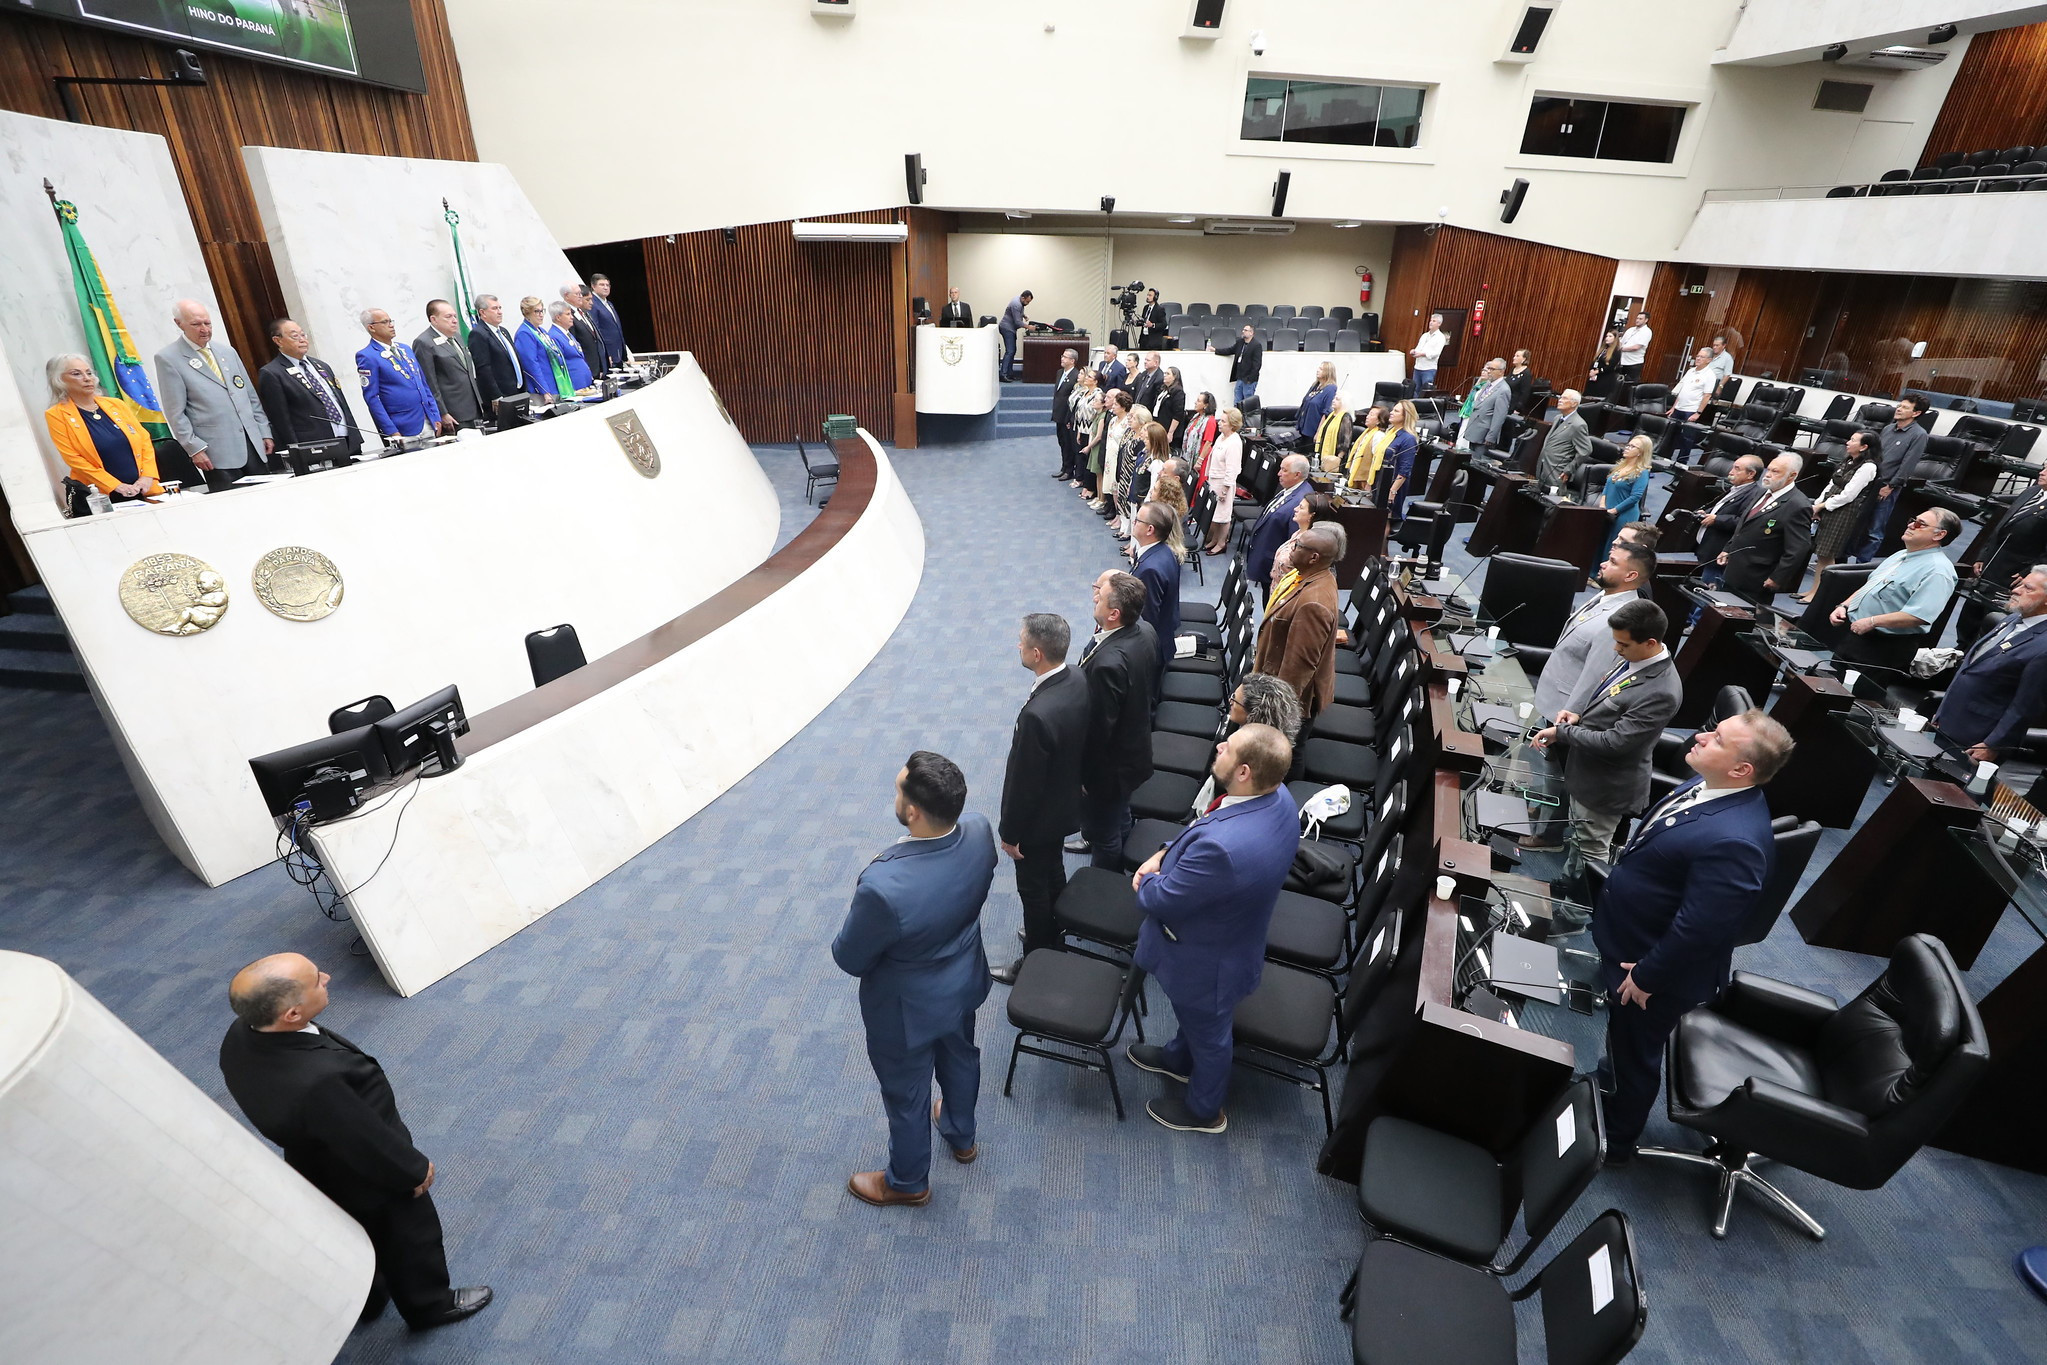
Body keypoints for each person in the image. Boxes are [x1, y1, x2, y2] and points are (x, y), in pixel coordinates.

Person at [217, 953, 491, 1329]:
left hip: (313, 1165)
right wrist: (412, 1170)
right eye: (316, 980)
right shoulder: (318, 1082)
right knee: (411, 1238)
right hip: (365, 1173)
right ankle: (430, 1306)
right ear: (292, 1016)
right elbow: (362, 1137)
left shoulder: (240, 1036)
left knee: (352, 1237)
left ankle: (370, 1298)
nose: (327, 977)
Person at [1592, 711, 1790, 1157]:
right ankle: (1606, 1086)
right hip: (1634, 943)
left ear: (1742, 769)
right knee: (1620, 1043)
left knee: (1635, 1055)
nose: (1700, 736)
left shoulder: (1736, 841)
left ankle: (1615, 1139)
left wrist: (1648, 977)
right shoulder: (1708, 785)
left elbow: (1702, 927)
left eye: (1717, 738)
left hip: (1655, 970)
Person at [832, 753, 996, 1207]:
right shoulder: (981, 831)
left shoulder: (884, 886)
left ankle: (907, 1183)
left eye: (897, 791)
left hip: (906, 1010)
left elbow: (849, 956)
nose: (895, 795)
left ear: (912, 812)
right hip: (962, 982)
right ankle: (962, 1135)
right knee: (961, 1057)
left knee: (907, 1095)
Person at [1125, 723, 1300, 1133]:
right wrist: (1167, 852)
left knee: (1212, 1036)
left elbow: (1162, 898)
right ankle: (1177, 1060)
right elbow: (1203, 834)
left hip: (1207, 963)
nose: (1219, 744)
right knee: (1198, 1022)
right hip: (1234, 935)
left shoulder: (1223, 849)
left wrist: (1146, 877)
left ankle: (1204, 1111)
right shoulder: (1279, 797)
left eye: (1229, 748)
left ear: (1244, 772)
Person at [1533, 599, 1684, 913]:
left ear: (1651, 643)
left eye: (1623, 643)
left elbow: (1616, 742)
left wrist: (1562, 733)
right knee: (1578, 840)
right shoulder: (1633, 657)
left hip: (1607, 786)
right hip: (1587, 774)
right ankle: (1567, 882)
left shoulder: (1662, 690)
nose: (1616, 649)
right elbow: (1608, 697)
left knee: (1591, 854)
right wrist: (1576, 715)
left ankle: (1574, 917)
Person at [990, 615, 1089, 985]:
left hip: (1037, 821)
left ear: (1036, 653)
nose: (1016, 646)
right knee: (1052, 871)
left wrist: (1010, 833)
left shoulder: (1036, 716)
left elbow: (1023, 783)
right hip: (1064, 805)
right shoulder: (1077, 676)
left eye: (1020, 642)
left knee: (1032, 890)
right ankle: (1053, 930)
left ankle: (1035, 960)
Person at [1075, 571, 1158, 870]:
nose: (1095, 596)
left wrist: (1085, 776)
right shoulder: (1145, 630)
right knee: (1119, 814)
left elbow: (1099, 728)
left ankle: (1104, 883)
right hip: (1134, 748)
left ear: (1114, 613)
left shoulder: (1108, 664)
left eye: (1101, 594)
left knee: (1104, 833)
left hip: (1110, 767)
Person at [154, 297, 274, 487]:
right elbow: (175, 412)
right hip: (215, 451)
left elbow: (250, 396)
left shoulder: (227, 352)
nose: (204, 329)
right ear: (179, 324)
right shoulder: (169, 358)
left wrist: (264, 431)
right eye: (196, 324)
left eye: (207, 323)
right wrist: (194, 448)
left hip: (252, 444)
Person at [1533, 543, 1656, 725]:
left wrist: (1571, 714)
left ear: (1630, 575)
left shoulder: (1618, 620)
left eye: (1613, 562)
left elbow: (1596, 674)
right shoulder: (1606, 594)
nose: (1603, 564)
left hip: (1561, 712)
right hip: (1547, 694)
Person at [1829, 508, 1960, 676]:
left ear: (1939, 535)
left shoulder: (1938, 571)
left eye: (1920, 524)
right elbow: (1871, 586)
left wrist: (1872, 621)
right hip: (1857, 636)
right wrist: (1844, 606)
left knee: (1858, 696)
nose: (1912, 525)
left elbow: (1919, 616)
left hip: (1884, 648)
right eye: (1913, 520)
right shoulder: (1902, 554)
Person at [1936, 568, 2047, 761]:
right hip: (1951, 721)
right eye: (2020, 584)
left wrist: (1993, 744)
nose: (2016, 590)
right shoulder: (2014, 618)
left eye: (2027, 588)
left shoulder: (2044, 646)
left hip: (1978, 740)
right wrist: (1941, 713)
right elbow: (1971, 669)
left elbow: (2026, 706)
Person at [44, 353, 162, 500]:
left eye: (89, 373)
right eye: (76, 374)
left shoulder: (116, 404)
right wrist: (115, 485)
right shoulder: (56, 414)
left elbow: (144, 440)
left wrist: (147, 476)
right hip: (101, 495)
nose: (87, 378)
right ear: (59, 380)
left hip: (143, 489)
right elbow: (74, 459)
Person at [1254, 525, 1341, 720]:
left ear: (1314, 558)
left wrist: (1276, 714)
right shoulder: (1316, 577)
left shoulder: (1313, 604)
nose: (1291, 549)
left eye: (1298, 546)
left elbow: (1298, 667)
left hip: (1285, 702)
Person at [1961, 467, 2047, 641]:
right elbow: (2000, 526)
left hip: (2016, 573)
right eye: (2044, 467)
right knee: (1970, 615)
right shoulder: (2032, 491)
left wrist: (2031, 573)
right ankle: (1958, 651)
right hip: (1991, 563)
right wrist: (1982, 555)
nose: (2042, 472)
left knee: (1992, 622)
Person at [256, 319, 362, 460]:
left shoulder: (321, 366)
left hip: (347, 438)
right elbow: (280, 419)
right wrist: (296, 451)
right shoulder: (272, 373)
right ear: (278, 341)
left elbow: (340, 402)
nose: (302, 340)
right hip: (314, 445)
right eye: (295, 336)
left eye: (303, 335)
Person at [1798, 430, 1881, 603]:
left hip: (1844, 512)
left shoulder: (1868, 467)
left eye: (1853, 440)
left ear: (1864, 446)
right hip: (1829, 506)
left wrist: (1821, 506)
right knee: (1821, 553)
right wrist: (1818, 506)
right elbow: (1831, 485)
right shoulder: (1848, 461)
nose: (1847, 443)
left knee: (1828, 554)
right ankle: (1813, 590)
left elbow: (1849, 495)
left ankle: (1821, 594)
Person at [1718, 453, 1812, 603]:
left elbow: (1798, 548)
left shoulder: (1797, 505)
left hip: (1758, 578)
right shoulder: (1762, 492)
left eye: (1775, 472)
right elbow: (1745, 524)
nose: (1767, 475)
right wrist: (1728, 548)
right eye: (1768, 470)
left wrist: (1777, 578)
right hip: (1734, 569)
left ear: (1792, 475)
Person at [355, 307, 446, 441]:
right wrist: (391, 430)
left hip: (427, 420)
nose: (391, 325)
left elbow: (422, 383)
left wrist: (435, 415)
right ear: (372, 328)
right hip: (402, 425)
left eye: (391, 321)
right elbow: (372, 398)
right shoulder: (367, 356)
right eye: (385, 322)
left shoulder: (405, 349)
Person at [1859, 395, 1931, 561]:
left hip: (1887, 486)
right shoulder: (1888, 429)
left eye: (1905, 408)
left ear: (1916, 413)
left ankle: (1862, 564)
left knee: (1875, 528)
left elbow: (1908, 464)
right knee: (1858, 523)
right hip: (1870, 482)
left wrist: (1891, 486)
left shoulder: (1919, 435)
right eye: (1899, 406)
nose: (1899, 409)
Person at [1696, 454, 1766, 585]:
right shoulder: (1737, 488)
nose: (1731, 471)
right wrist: (1707, 513)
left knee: (1708, 590)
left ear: (1751, 474)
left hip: (1720, 554)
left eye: (1737, 469)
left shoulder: (1754, 495)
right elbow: (1723, 508)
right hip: (1709, 549)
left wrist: (1717, 519)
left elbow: (1744, 521)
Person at [413, 300, 485, 428]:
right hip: (453, 414)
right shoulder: (424, 342)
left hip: (475, 408)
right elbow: (429, 382)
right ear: (434, 319)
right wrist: (442, 412)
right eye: (448, 317)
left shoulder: (457, 337)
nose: (454, 320)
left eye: (455, 316)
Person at [1246, 453, 1313, 586]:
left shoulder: (1301, 501)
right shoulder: (1290, 489)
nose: (1279, 473)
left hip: (1277, 567)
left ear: (1297, 475)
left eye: (1284, 470)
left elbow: (1294, 541)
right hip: (1268, 560)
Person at [1132, 502, 1182, 674]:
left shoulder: (1149, 570)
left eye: (1138, 520)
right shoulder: (1165, 551)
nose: (1134, 522)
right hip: (1165, 634)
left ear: (1150, 529)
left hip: (1151, 651)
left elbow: (1146, 619)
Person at [1270, 490, 1345, 587]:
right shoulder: (1298, 532)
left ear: (1312, 515)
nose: (1295, 509)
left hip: (1289, 593)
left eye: (1301, 508)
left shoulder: (1309, 544)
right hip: (1277, 588)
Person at [1597, 435, 1653, 556]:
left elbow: (1635, 497)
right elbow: (1607, 486)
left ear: (1640, 452)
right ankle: (1593, 572)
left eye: (1633, 446)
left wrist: (1614, 510)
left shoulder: (1642, 472)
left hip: (1624, 514)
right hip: (1606, 510)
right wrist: (1602, 505)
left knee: (1612, 546)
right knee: (1599, 542)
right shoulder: (1620, 466)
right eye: (1628, 445)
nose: (1627, 448)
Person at [513, 296, 576, 399]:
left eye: (542, 311)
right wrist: (544, 390)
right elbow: (531, 364)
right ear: (527, 313)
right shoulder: (524, 333)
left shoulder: (541, 331)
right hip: (543, 388)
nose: (541, 315)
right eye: (537, 311)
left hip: (555, 383)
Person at [466, 294, 523, 407]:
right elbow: (483, 368)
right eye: (494, 308)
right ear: (482, 312)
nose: (500, 312)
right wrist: (496, 396)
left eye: (500, 308)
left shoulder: (503, 331)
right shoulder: (478, 334)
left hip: (518, 391)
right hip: (501, 396)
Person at [1202, 407, 1246, 555]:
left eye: (1223, 421)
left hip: (1224, 483)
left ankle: (1221, 543)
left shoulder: (1234, 442)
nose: (1219, 423)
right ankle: (1214, 540)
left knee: (1223, 515)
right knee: (1215, 514)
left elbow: (1232, 469)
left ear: (1232, 424)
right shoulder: (1221, 437)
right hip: (1214, 480)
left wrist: (1225, 489)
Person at [1667, 348, 1716, 460]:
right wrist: (1674, 407)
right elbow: (1681, 390)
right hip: (1679, 408)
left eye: (1701, 357)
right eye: (1697, 356)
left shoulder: (1710, 375)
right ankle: (1665, 458)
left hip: (1691, 410)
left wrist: (1698, 413)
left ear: (1709, 360)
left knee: (1686, 438)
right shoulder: (1690, 371)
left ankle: (1682, 461)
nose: (1698, 358)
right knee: (1671, 435)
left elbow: (1707, 396)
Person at [1536, 387, 1590, 489]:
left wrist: (1569, 469)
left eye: (1564, 398)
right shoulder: (1557, 418)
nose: (1560, 400)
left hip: (1557, 472)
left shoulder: (1578, 424)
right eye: (1560, 397)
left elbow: (1585, 451)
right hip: (1544, 467)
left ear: (1574, 404)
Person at [1455, 357, 1511, 452]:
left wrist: (1491, 436)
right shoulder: (1487, 383)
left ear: (1501, 372)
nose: (1488, 371)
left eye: (1492, 369)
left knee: (1477, 461)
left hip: (1484, 434)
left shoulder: (1503, 390)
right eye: (1488, 368)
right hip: (1473, 429)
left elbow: (1499, 417)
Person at [1377, 400, 1421, 519]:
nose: (1391, 413)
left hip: (1393, 484)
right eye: (1393, 410)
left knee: (1385, 520)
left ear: (1405, 416)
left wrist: (1393, 491)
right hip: (1381, 480)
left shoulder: (1408, 438)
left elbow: (1405, 469)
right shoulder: (1391, 432)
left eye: (1396, 411)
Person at [1209, 323, 1263, 409]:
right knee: (1237, 401)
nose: (1243, 331)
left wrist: (1250, 379)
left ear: (1251, 333)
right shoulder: (1240, 342)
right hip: (1240, 377)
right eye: (1243, 330)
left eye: (1245, 330)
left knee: (1247, 402)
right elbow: (1230, 350)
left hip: (1249, 379)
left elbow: (1257, 364)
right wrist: (1216, 350)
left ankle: (1246, 421)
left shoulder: (1256, 345)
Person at [1069, 368, 1105, 498]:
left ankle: (1091, 488)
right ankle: (1084, 483)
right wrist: (1078, 431)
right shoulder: (1085, 392)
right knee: (1082, 457)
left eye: (1089, 377)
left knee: (1090, 460)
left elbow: (1097, 414)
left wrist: (1090, 434)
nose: (1086, 378)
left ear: (1095, 381)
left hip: (1091, 431)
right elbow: (1079, 412)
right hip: (1081, 429)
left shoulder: (1098, 393)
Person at [560, 284, 608, 376]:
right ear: (567, 295)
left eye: (580, 294)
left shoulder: (581, 312)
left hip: (596, 366)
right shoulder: (567, 315)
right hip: (585, 367)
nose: (580, 296)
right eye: (577, 294)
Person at [546, 302, 596, 389]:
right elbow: (559, 364)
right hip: (573, 384)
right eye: (568, 314)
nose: (572, 317)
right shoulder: (554, 336)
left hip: (583, 381)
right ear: (558, 317)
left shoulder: (567, 333)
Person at [1050, 348, 1082, 480]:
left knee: (1068, 443)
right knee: (1062, 442)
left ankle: (1069, 470)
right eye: (1062, 356)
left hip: (1067, 416)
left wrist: (1070, 418)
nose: (1062, 358)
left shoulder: (1076, 375)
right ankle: (1064, 467)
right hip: (1058, 414)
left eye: (1065, 357)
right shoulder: (1059, 373)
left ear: (1072, 361)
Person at [586, 273, 628, 370]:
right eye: (602, 285)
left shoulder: (609, 304)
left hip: (618, 353)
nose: (606, 287)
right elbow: (596, 331)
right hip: (608, 355)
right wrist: (605, 354)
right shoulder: (593, 304)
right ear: (593, 286)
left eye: (607, 285)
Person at [1344, 404, 1391, 488]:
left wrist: (1369, 483)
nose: (1367, 417)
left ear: (1379, 421)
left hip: (1364, 481)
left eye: (1371, 415)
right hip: (1355, 476)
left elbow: (1376, 460)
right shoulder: (1366, 432)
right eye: (1368, 414)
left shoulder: (1378, 435)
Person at [1296, 361, 1339, 452]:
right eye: (1318, 368)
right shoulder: (1315, 385)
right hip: (1304, 428)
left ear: (1328, 372)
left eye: (1321, 369)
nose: (1317, 370)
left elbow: (1326, 412)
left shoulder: (1330, 389)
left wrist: (1318, 432)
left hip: (1314, 430)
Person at [1308, 393, 1353, 474]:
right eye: (1334, 399)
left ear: (1344, 403)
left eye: (1337, 399)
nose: (1333, 401)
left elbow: (1345, 440)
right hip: (1323, 456)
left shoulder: (1345, 417)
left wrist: (1338, 458)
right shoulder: (1331, 415)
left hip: (1335, 458)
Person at [1181, 390, 1219, 480]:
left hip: (1200, 458)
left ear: (1206, 405)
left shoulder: (1210, 421)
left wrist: (1200, 460)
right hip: (1189, 456)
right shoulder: (1196, 417)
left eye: (1198, 401)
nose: (1195, 402)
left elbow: (1208, 442)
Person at [998, 290, 1033, 382]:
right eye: (1027, 301)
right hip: (1007, 328)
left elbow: (1017, 313)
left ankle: (1009, 373)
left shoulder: (1018, 300)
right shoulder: (1016, 304)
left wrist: (1024, 315)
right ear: (1022, 298)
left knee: (1012, 351)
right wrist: (1029, 327)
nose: (1028, 303)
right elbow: (1017, 322)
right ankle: (1003, 374)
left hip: (1010, 329)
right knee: (1010, 351)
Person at [1409, 312, 1447, 392]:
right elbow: (1418, 348)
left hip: (1428, 368)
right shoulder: (1424, 335)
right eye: (1431, 320)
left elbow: (1436, 353)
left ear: (1439, 324)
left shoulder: (1440, 337)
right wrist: (1414, 351)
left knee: (1425, 391)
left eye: (1434, 321)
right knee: (1415, 389)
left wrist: (1423, 354)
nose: (1431, 322)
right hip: (1418, 367)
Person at [1153, 365, 1187, 446]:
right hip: (1158, 424)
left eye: (1168, 374)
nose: (1164, 375)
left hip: (1167, 427)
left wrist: (1170, 432)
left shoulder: (1178, 392)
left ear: (1174, 377)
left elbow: (1178, 414)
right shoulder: (1163, 390)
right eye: (1164, 373)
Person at [1617, 310, 1652, 383]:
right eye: (1637, 318)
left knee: (1629, 384)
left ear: (1646, 320)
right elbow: (1621, 342)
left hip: (1634, 363)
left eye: (1640, 319)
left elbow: (1636, 347)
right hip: (1622, 361)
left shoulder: (1646, 332)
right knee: (1618, 382)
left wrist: (1622, 349)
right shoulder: (1630, 330)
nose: (1637, 320)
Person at [1587, 329, 1623, 399]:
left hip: (1604, 378)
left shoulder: (1616, 351)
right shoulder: (1603, 349)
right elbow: (1596, 361)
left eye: (1610, 336)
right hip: (1594, 377)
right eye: (1606, 336)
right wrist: (1591, 370)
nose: (1607, 338)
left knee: (1597, 398)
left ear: (1615, 339)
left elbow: (1610, 367)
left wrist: (1597, 371)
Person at [1705, 333, 1736, 399]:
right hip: (1703, 381)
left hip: (1714, 384)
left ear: (1723, 346)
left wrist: (1720, 387)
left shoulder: (1727, 358)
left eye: (1717, 345)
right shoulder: (1709, 354)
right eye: (1713, 345)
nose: (1714, 347)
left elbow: (1727, 375)